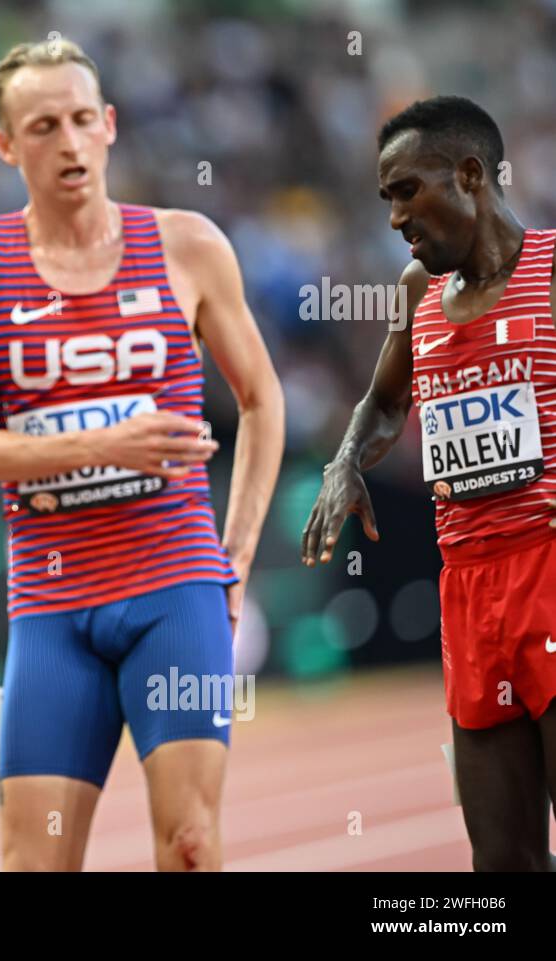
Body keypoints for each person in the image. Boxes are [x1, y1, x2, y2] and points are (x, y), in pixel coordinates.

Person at [0, 39, 284, 871]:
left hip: (176, 584)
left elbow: (265, 400)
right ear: (5, 145)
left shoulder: (189, 244)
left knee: (191, 844)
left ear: (111, 125)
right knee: (33, 860)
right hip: (52, 604)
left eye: (84, 120)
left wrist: (233, 556)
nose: (70, 142)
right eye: (44, 125)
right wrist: (107, 441)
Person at [302, 95, 556, 871]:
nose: (394, 218)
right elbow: (383, 401)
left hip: (549, 566)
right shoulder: (416, 292)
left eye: (407, 190)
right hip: (470, 594)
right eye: (386, 199)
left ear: (470, 174)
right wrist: (346, 461)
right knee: (500, 858)